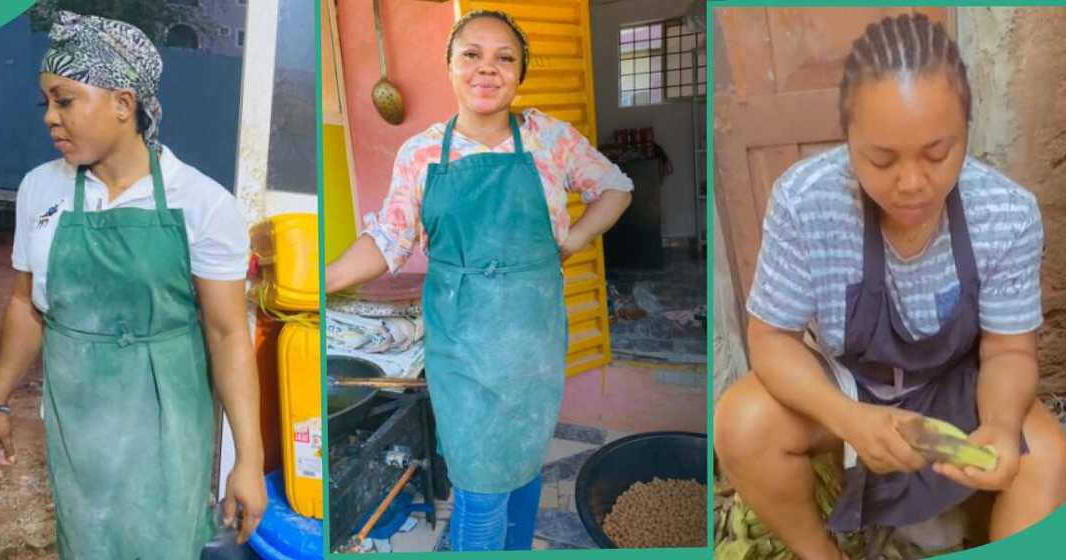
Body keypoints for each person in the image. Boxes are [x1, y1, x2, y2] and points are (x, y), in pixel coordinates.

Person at [714, 13, 1066, 559]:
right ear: (847, 140)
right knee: (742, 423)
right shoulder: (806, 200)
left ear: (966, 130)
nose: (910, 183)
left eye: (936, 153)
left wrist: (998, 424)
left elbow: (1008, 349)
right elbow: (771, 338)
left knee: (1044, 454)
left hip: (956, 386)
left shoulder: (1007, 213)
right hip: (848, 385)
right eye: (881, 159)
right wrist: (850, 420)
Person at [325, 10, 633, 551]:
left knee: (526, 462)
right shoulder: (421, 152)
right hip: (463, 343)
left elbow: (616, 187)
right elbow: (388, 241)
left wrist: (577, 238)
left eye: (504, 58)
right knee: (479, 485)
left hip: (532, 340)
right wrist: (318, 281)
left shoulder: (547, 137)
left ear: (519, 74)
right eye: (471, 54)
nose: (486, 69)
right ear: (449, 66)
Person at [0, 11, 266, 558]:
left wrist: (247, 460)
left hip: (167, 418)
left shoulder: (201, 203)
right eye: (47, 103)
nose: (50, 119)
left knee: (161, 542)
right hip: (77, 417)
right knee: (86, 540)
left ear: (123, 104)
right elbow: (26, 306)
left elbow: (228, 336)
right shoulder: (41, 191)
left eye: (65, 100)